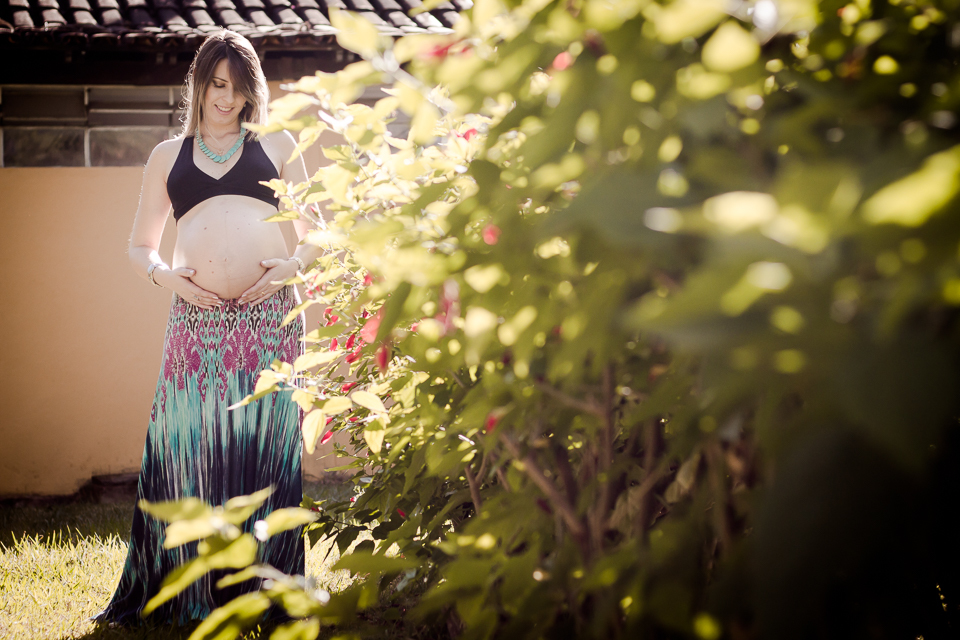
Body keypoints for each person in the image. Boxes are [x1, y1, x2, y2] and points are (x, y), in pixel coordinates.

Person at [93, 29, 319, 626]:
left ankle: (264, 588)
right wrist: (172, 280)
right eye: (218, 85)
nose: (227, 99)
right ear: (199, 83)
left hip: (268, 318)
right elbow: (141, 248)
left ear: (253, 93)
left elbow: (318, 229)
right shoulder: (167, 156)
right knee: (184, 445)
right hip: (195, 322)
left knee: (261, 447)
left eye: (239, 88)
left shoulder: (275, 143)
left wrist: (292, 268)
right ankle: (185, 589)